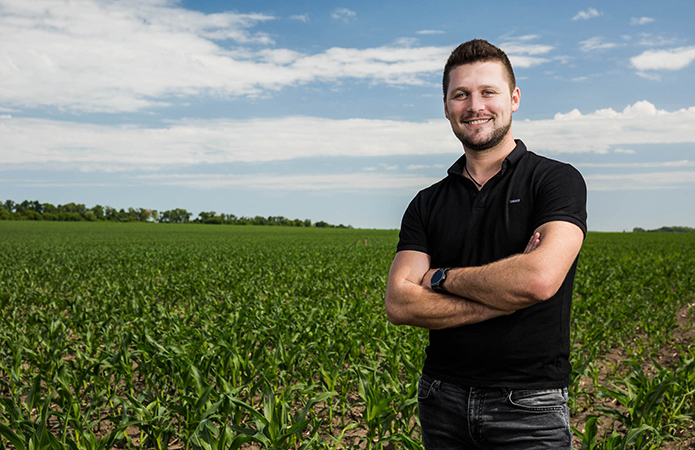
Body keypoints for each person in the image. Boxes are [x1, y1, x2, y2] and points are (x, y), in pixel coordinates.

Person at [384, 39, 587, 449]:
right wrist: (506, 296)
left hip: (529, 404)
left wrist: (440, 277)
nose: (474, 105)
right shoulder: (426, 202)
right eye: (461, 95)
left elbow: (538, 281)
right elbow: (400, 303)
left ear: (513, 99)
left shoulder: (555, 181)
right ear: (446, 107)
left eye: (488, 92)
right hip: (441, 398)